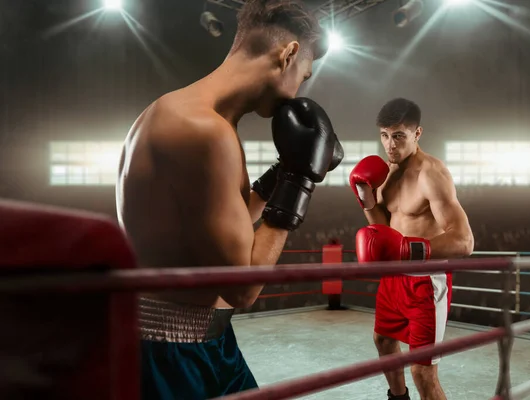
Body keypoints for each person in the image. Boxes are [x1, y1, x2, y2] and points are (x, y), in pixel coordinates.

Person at [115, 0, 343, 398]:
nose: (298, 92)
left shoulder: (182, 113)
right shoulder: (204, 131)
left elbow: (216, 223)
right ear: (288, 54)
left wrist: (277, 176)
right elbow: (243, 288)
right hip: (172, 354)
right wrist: (298, 180)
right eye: (303, 76)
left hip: (204, 343)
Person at [349, 98, 474, 400]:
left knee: (423, 372)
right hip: (393, 278)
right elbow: (385, 225)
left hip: (425, 283)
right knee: (383, 340)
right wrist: (367, 199)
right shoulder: (385, 174)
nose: (390, 145)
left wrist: (407, 249)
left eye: (399, 136)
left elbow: (464, 241)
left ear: (417, 134)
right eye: (384, 135)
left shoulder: (431, 174)